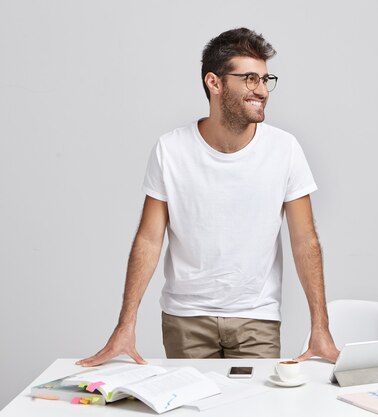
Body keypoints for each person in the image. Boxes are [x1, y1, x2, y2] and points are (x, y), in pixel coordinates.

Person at [77, 28, 339, 366]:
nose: (261, 90)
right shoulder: (170, 150)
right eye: (248, 79)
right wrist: (125, 325)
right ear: (214, 82)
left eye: (264, 79)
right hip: (185, 318)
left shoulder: (285, 149)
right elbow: (149, 239)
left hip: (256, 317)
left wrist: (321, 327)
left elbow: (305, 241)